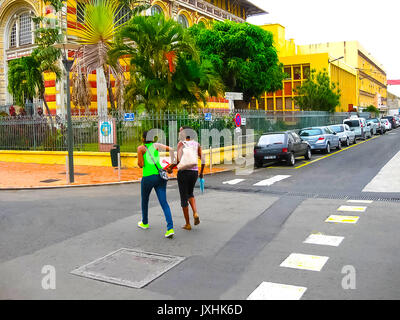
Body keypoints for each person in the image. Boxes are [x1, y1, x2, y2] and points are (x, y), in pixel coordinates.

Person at [137, 130, 175, 238]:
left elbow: (140, 165)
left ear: (143, 139)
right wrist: (171, 166)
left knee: (145, 201)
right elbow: (171, 149)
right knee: (164, 203)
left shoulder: (141, 148)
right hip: (160, 176)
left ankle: (145, 222)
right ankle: (170, 228)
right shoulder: (157, 145)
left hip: (148, 178)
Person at [168, 126, 205, 231]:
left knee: (184, 198)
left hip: (183, 173)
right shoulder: (196, 144)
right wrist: (201, 173)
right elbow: (203, 159)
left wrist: (169, 168)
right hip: (194, 172)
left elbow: (178, 160)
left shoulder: (181, 144)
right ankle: (195, 213)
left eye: (180, 131)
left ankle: (188, 224)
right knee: (190, 193)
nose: (179, 133)